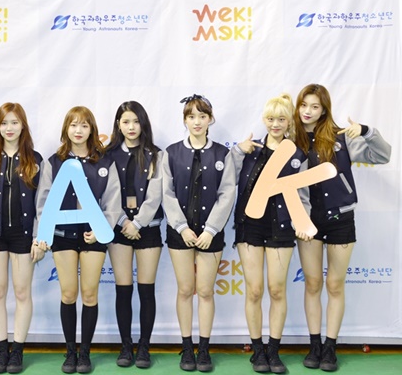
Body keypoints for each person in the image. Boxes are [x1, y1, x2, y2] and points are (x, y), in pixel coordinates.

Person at [293, 84, 391, 372]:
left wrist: (366, 131)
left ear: (324, 109)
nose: (308, 111)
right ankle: (314, 345)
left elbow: (382, 155)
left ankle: (330, 347)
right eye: (304, 105)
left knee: (335, 284)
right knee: (312, 283)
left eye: (315, 106)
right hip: (307, 221)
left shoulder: (341, 138)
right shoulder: (292, 140)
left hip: (340, 219)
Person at [35, 106, 122, 374]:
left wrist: (101, 229)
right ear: (66, 129)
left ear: (92, 130)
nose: (78, 130)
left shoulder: (105, 162)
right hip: (63, 236)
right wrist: (43, 234)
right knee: (69, 293)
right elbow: (43, 201)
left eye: (84, 125)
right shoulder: (54, 162)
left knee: (90, 294)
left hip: (93, 236)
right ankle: (70, 351)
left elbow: (113, 202)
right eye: (73, 125)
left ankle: (85, 352)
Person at [233, 93, 311, 374]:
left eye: (280, 119)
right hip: (250, 226)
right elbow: (227, 181)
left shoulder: (297, 154)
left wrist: (303, 222)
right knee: (254, 290)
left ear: (289, 121)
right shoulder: (250, 150)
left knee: (277, 290)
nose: (275, 124)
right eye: (270, 119)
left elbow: (303, 194)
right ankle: (257, 351)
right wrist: (238, 151)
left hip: (282, 226)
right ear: (264, 120)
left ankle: (274, 351)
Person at [0, 103, 47, 374]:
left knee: (23, 292)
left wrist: (39, 237)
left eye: (14, 122)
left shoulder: (36, 159)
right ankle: (2, 351)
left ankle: (18, 351)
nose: (9, 128)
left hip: (23, 236)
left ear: (23, 125)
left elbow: (42, 202)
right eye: (4, 123)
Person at [162, 94, 235, 372]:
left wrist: (211, 229)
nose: (197, 122)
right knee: (185, 290)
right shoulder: (171, 153)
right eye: (191, 116)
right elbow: (166, 193)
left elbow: (227, 194)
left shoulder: (222, 154)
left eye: (202, 116)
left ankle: (204, 349)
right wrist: (181, 227)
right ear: (184, 120)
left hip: (210, 235)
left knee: (205, 291)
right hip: (179, 233)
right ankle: (186, 347)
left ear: (210, 119)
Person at [106, 101, 163, 369]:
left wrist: (138, 223)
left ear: (143, 124)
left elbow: (156, 195)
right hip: (118, 229)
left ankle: (144, 346)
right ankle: (125, 345)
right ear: (118, 124)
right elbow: (106, 194)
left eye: (136, 121)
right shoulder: (107, 155)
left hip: (148, 229)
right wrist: (122, 221)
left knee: (146, 290)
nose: (131, 127)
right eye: (126, 121)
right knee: (123, 289)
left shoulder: (156, 155)